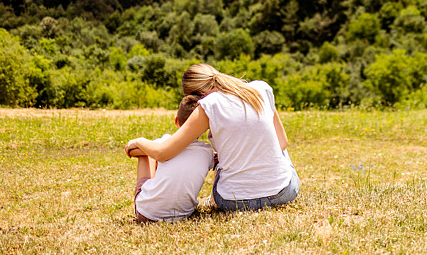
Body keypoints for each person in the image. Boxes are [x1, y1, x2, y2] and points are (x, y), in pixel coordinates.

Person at [125, 63, 298, 211]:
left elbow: (163, 153)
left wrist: (140, 141)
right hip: (283, 194)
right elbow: (282, 143)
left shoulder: (208, 105)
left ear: (199, 94)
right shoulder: (261, 89)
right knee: (278, 150)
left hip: (232, 201)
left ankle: (214, 200)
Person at [128, 95, 214, 222]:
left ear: (176, 121)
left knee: (148, 154)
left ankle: (151, 194)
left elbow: (133, 151)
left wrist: (139, 143)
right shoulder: (207, 152)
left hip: (146, 213)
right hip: (183, 214)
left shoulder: (165, 142)